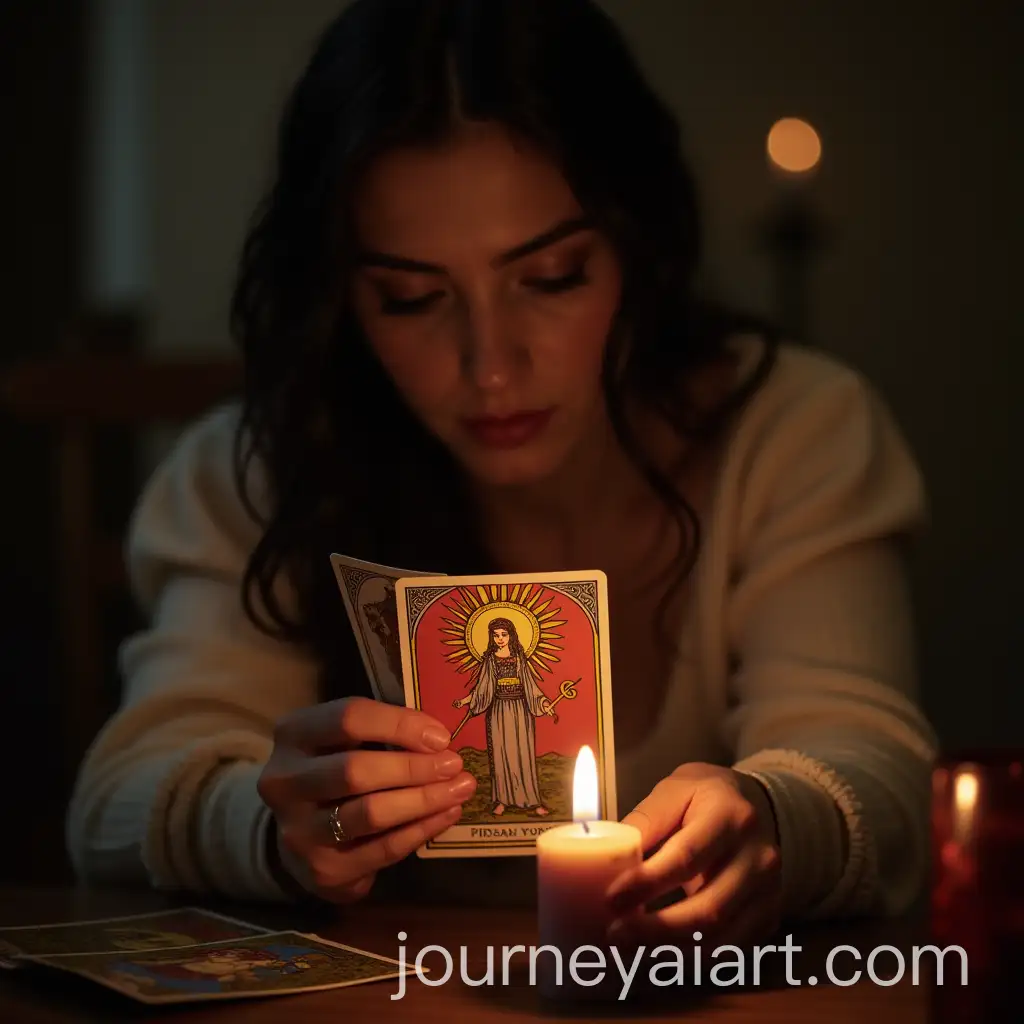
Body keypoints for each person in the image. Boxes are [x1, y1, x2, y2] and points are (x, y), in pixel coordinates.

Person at [67, 0, 936, 950]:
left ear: (638, 249)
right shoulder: (259, 472)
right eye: (410, 298)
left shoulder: (792, 434)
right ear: (339, 295)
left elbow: (877, 778)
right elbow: (118, 799)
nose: (489, 366)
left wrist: (780, 822)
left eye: (552, 276)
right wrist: (268, 824)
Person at [452, 617, 555, 816]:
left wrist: (542, 703)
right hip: (498, 711)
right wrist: (465, 701)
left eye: (504, 634)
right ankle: (502, 800)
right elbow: (482, 688)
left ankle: (532, 801)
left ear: (511, 635)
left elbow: (531, 686)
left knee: (523, 754)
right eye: (496, 635)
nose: (500, 639)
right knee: (500, 755)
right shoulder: (490, 660)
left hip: (521, 711)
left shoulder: (519, 657)